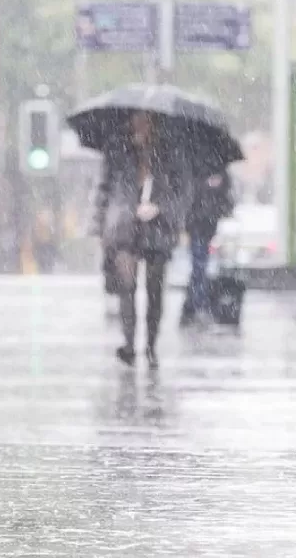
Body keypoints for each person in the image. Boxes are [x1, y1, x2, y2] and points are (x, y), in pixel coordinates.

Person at [93, 111, 192, 367]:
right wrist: (100, 225)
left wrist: (160, 207)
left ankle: (150, 345)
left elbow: (182, 191)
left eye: (145, 121)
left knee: (154, 289)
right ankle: (129, 344)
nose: (139, 126)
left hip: (157, 229)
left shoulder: (170, 153)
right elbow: (104, 188)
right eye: (136, 120)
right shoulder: (117, 150)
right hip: (125, 228)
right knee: (127, 287)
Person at [179, 169, 233, 327]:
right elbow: (186, 195)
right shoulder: (192, 171)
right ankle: (197, 305)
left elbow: (224, 195)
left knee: (200, 266)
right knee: (199, 265)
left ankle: (191, 307)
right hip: (197, 223)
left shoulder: (218, 171)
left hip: (208, 223)